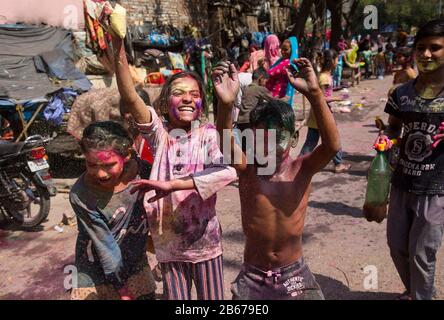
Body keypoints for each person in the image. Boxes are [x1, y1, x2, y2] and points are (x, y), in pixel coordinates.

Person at [111, 33, 237, 300]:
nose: (188, 98)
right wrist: (118, 46)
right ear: (165, 103)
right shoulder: (161, 136)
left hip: (205, 245)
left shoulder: (209, 135)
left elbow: (227, 171)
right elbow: (131, 98)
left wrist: (174, 184)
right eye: (179, 93)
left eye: (194, 94)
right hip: (168, 245)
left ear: (202, 102)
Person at [212, 57, 341, 300]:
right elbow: (224, 142)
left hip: (294, 274)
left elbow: (332, 146)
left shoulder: (302, 169)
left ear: (293, 139)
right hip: (253, 275)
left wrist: (315, 94)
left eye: (278, 136)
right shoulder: (248, 169)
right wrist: (226, 105)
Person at [377, 18, 444, 300]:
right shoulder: (401, 93)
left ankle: (421, 296)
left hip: (437, 187)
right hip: (402, 181)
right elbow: (393, 127)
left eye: (435, 48)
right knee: (396, 246)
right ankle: (417, 290)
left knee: (421, 253)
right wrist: (387, 140)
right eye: (421, 48)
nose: (426, 54)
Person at [69, 121, 156, 300]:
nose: (101, 173)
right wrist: (121, 289)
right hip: (95, 268)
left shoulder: (144, 173)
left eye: (109, 165)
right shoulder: (82, 195)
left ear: (126, 156)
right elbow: (106, 246)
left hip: (134, 258)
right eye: (91, 165)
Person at [300, 49, 351, 173]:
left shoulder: (324, 76)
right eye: (337, 59)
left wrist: (338, 90)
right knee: (332, 138)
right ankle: (337, 164)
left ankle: (299, 162)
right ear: (332, 61)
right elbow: (322, 98)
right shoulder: (325, 78)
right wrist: (338, 98)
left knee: (312, 141)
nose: (338, 62)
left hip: (318, 113)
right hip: (322, 114)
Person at [266, 37, 298, 107]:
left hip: (277, 94)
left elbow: (270, 73)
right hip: (277, 93)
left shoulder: (286, 63)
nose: (282, 52)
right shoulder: (282, 61)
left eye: (285, 50)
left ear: (292, 50)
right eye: (282, 49)